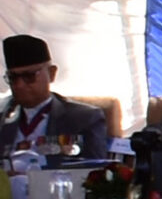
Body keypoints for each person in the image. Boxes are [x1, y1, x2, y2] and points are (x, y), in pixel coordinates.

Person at [2, 34, 113, 165]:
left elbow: (93, 169)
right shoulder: (3, 115)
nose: (19, 85)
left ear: (51, 73)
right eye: (13, 78)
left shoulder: (83, 118)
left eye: (29, 76)